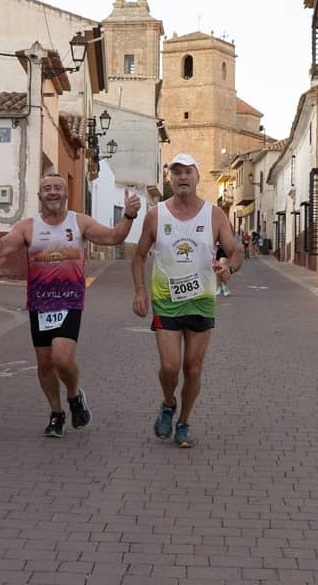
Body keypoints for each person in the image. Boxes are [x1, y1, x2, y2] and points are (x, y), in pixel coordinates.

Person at [0, 171, 140, 437]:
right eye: (48, 188)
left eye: (58, 187)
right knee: (44, 363)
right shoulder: (27, 227)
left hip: (69, 299)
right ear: (40, 195)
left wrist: (129, 216)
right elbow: (0, 250)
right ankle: (56, 413)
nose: (53, 192)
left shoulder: (79, 222)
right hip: (39, 303)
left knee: (62, 358)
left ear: (66, 194)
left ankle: (74, 395)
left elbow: (112, 237)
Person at [132, 153, 242, 448]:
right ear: (170, 178)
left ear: (197, 176)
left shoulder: (214, 215)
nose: (182, 177)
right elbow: (139, 255)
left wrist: (229, 268)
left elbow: (235, 251)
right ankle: (169, 403)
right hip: (166, 300)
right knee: (170, 367)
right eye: (177, 172)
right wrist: (140, 291)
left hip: (201, 301)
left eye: (188, 172)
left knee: (193, 369)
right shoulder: (156, 215)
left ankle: (183, 421)